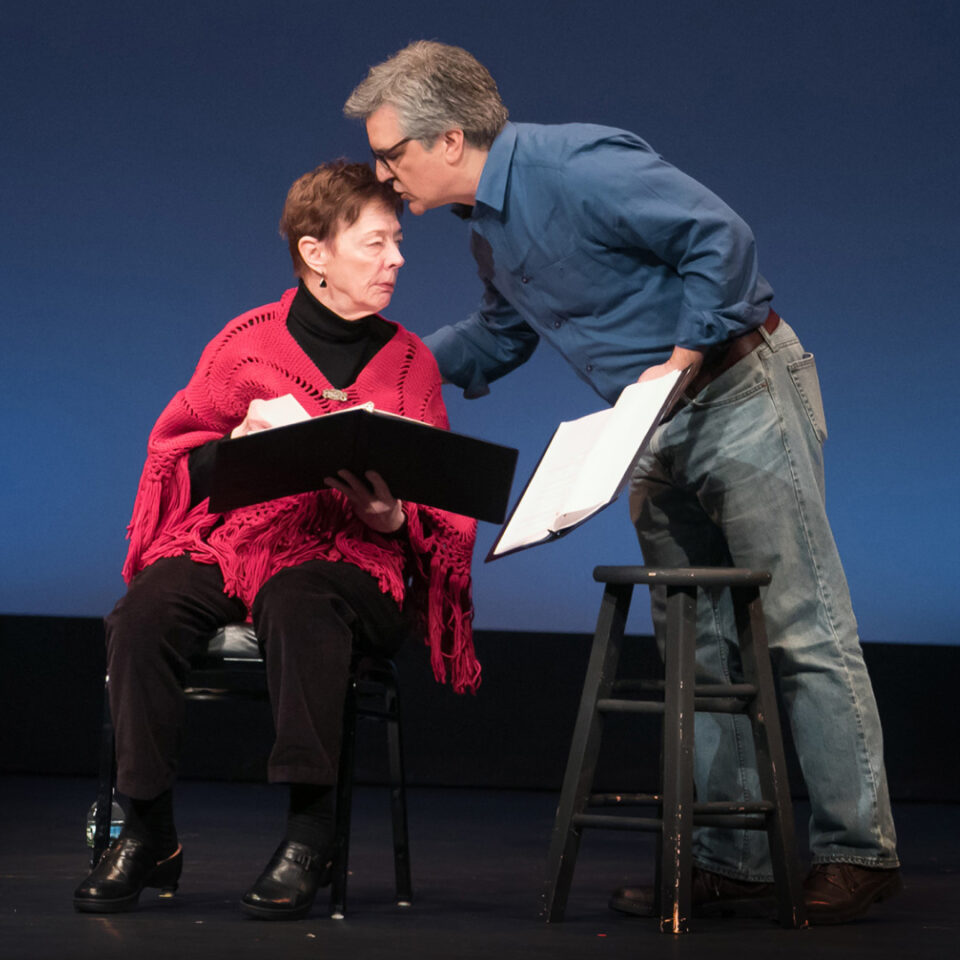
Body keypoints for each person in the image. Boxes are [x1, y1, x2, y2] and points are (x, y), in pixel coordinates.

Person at [344, 41, 901, 925]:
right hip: (647, 428)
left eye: (392, 154)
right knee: (700, 646)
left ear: (449, 139)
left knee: (800, 625)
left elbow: (720, 240)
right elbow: (499, 339)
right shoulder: (488, 231)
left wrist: (681, 356)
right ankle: (733, 858)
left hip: (736, 392)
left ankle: (856, 849)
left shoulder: (574, 165)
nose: (385, 174)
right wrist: (385, 362)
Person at [73, 160, 479, 920]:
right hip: (249, 535)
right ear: (315, 252)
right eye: (377, 243)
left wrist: (396, 519)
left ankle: (310, 834)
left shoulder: (411, 360)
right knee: (145, 612)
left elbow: (438, 490)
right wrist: (237, 444)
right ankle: (148, 832)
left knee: (300, 599)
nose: (397, 259)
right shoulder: (246, 342)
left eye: (397, 243)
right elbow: (178, 453)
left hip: (362, 561)